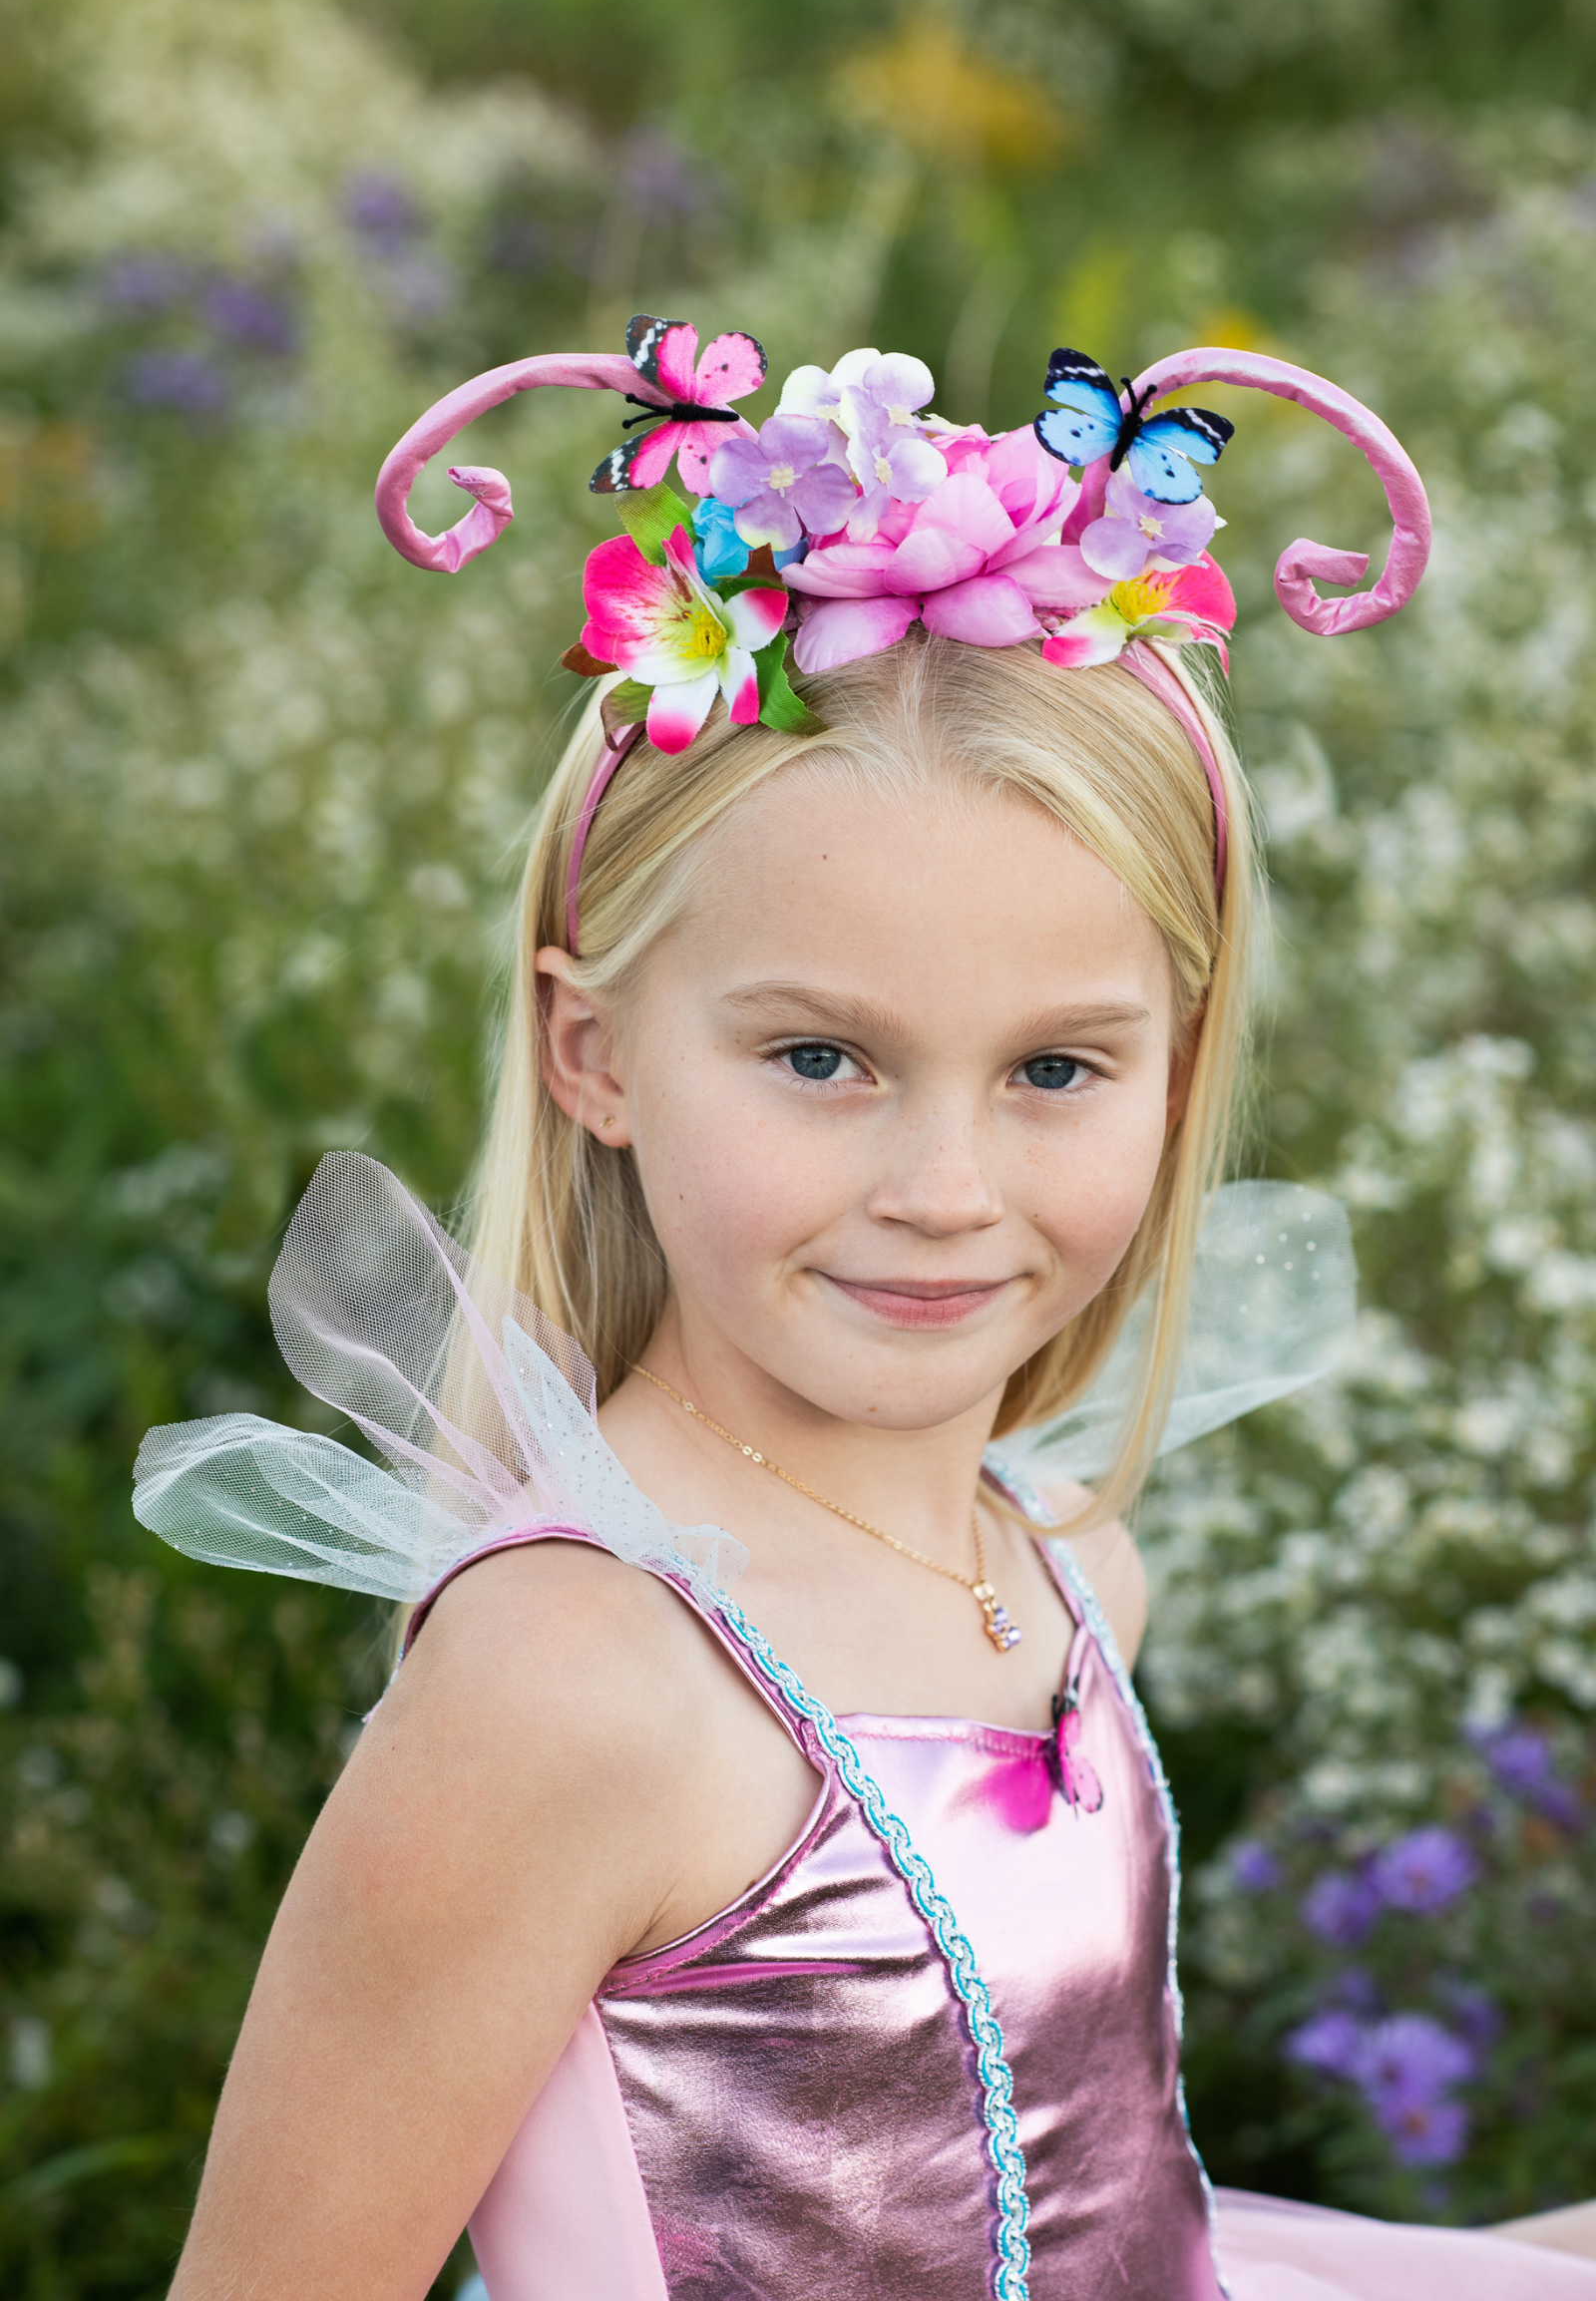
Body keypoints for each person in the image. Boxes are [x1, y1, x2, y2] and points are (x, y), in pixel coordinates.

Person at [135, 318, 1596, 2298]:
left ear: (1180, 1064)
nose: (943, 1192)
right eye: (820, 1058)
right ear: (594, 1055)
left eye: (1055, 1072)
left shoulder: (1060, 1561)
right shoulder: (574, 1685)